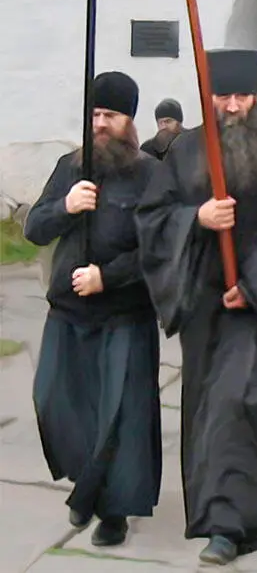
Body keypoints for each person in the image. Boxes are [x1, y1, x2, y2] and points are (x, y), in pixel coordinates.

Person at [135, 49, 257, 566]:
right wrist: (196, 216)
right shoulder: (186, 150)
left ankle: (226, 526)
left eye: (241, 95)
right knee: (209, 410)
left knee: (238, 403)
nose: (231, 104)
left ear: (256, 96)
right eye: (221, 95)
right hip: (204, 304)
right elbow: (154, 217)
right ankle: (249, 513)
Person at [24, 72, 161, 548]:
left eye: (112, 115)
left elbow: (157, 250)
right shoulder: (69, 166)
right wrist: (66, 205)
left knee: (118, 416)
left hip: (123, 315)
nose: (101, 124)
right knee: (54, 403)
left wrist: (109, 275)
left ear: (130, 120)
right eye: (95, 114)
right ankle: (87, 483)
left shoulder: (149, 174)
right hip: (66, 313)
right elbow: (35, 229)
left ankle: (113, 512)